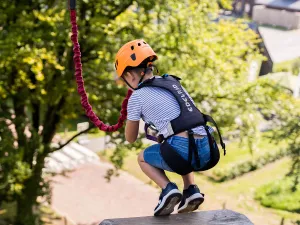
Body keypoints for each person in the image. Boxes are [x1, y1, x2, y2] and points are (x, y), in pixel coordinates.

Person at [114, 39, 217, 216]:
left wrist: (131, 113)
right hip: (209, 147)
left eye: (124, 80)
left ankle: (168, 189)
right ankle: (191, 190)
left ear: (130, 75)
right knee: (182, 139)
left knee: (142, 158)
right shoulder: (172, 82)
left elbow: (130, 138)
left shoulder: (136, 97)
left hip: (182, 152)